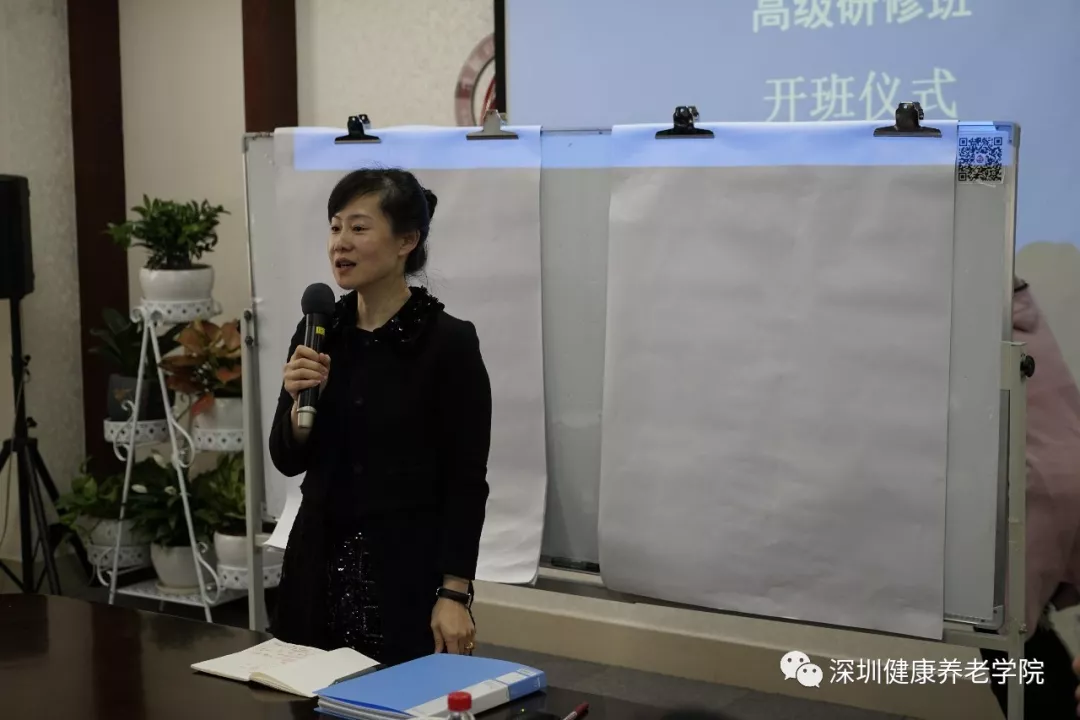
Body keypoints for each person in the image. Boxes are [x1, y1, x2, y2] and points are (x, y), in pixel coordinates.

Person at [268, 168, 492, 666]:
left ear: (406, 241)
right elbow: (286, 459)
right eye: (334, 227)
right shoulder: (317, 332)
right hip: (313, 575)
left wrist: (455, 594)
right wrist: (299, 405)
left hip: (403, 579)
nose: (340, 243)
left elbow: (466, 480)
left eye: (358, 227)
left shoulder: (448, 343)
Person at [981, 277, 1080, 717]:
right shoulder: (1017, 305)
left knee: (1002, 630)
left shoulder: (966, 310)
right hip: (1067, 468)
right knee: (1025, 627)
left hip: (1032, 483)